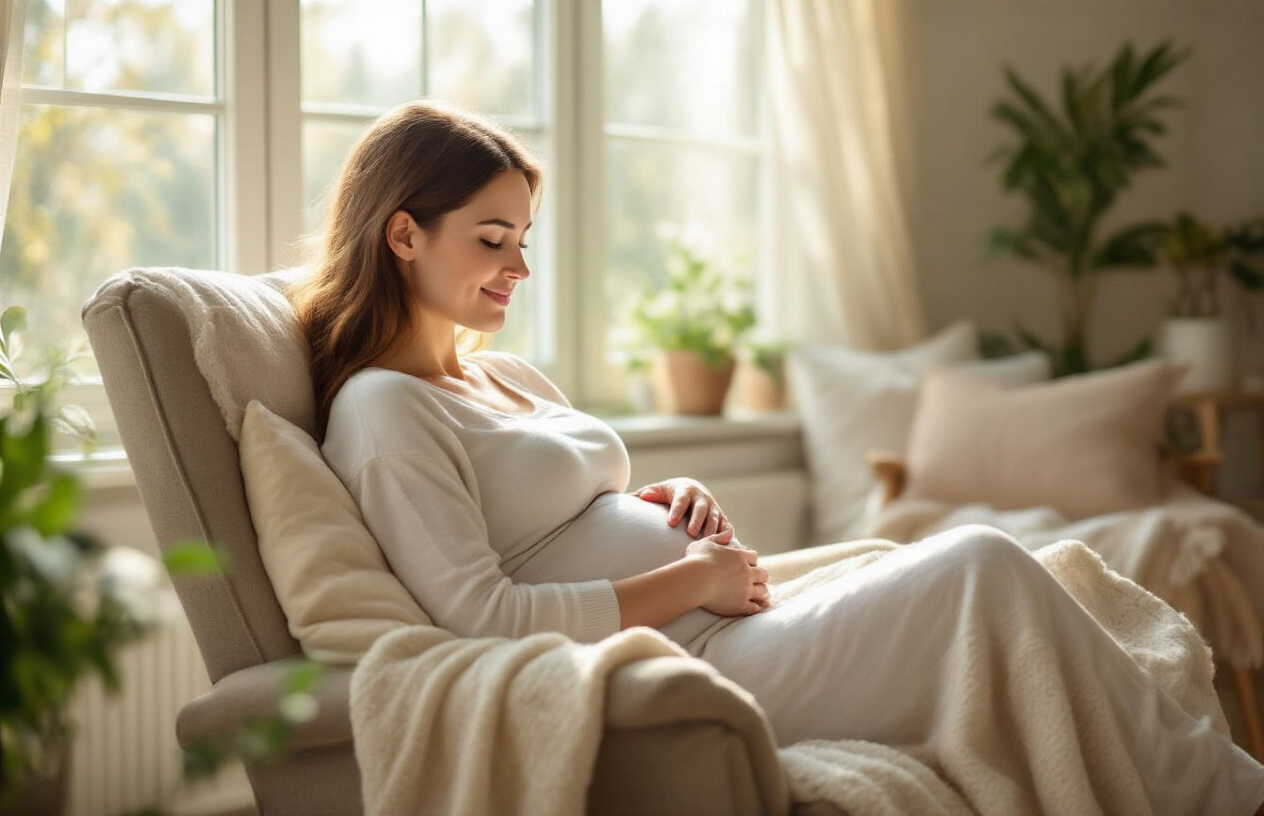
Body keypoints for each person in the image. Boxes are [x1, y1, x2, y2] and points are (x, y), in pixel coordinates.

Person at [289, 100, 1264, 815]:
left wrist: (671, 502)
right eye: (492, 238)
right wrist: (685, 578)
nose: (520, 267)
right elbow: (480, 617)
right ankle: (1227, 797)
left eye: (525, 238)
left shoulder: (497, 377)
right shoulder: (384, 411)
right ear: (404, 234)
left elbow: (570, 508)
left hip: (726, 619)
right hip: (702, 659)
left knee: (989, 571)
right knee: (980, 563)